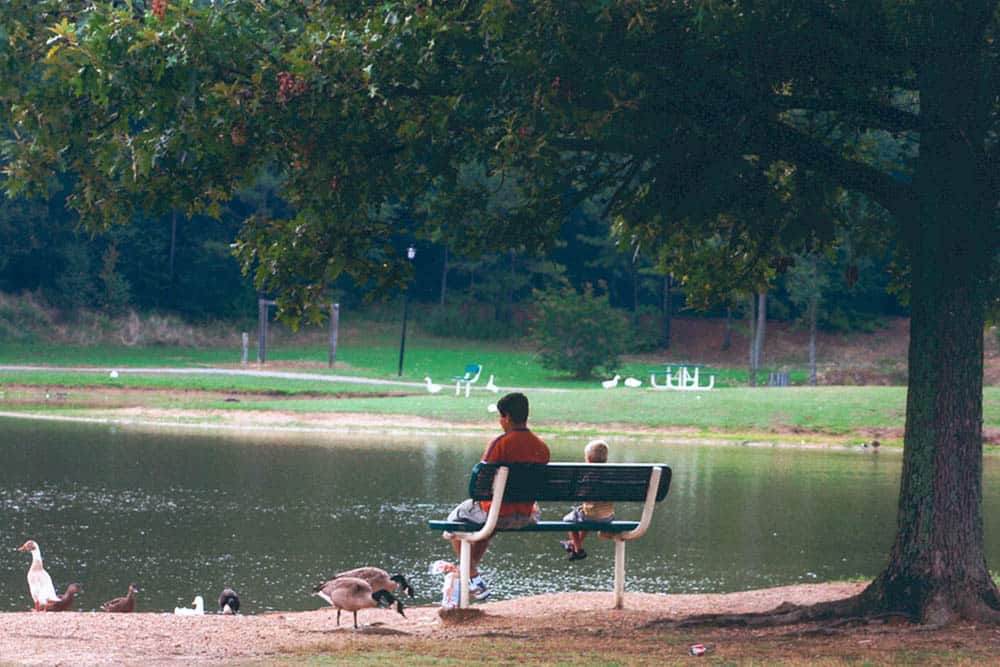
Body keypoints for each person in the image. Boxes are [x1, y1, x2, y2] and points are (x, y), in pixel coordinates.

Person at [445, 392, 550, 600]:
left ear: (507, 417)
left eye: (500, 417)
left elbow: (479, 486)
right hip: (525, 516)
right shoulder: (541, 446)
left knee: (453, 523)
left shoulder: (500, 443)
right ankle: (470, 574)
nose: (500, 422)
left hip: (498, 515)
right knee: (485, 526)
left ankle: (471, 574)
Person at [560, 439, 614, 561]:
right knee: (585, 513)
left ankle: (578, 549)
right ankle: (574, 544)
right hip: (608, 517)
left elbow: (581, 494)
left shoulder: (588, 476)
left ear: (588, 460)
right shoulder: (610, 476)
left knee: (569, 520)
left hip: (591, 515)